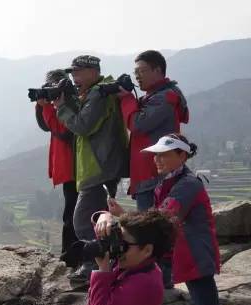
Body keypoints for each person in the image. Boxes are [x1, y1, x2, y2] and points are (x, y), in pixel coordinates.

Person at [96, 133, 251, 305]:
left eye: (164, 155)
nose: (157, 159)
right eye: (155, 154)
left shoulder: (187, 185)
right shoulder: (168, 183)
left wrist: (121, 219)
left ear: (182, 156)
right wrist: (124, 215)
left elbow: (162, 218)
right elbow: (158, 217)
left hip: (193, 261)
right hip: (175, 258)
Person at [55, 55, 129, 281]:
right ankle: (108, 263)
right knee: (97, 219)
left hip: (99, 167)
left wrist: (61, 108)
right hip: (100, 165)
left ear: (92, 71)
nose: (74, 77)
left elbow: (82, 125)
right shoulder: (96, 92)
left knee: (84, 219)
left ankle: (93, 267)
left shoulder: (98, 93)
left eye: (77, 72)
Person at [117, 50, 189, 210]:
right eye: (135, 72)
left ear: (158, 71)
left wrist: (127, 99)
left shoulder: (164, 98)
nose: (137, 76)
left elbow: (138, 125)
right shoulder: (152, 97)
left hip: (154, 178)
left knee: (150, 231)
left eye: (142, 71)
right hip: (147, 176)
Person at [34, 69, 78, 266]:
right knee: (71, 212)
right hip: (69, 166)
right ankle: (70, 255)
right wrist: (41, 105)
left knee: (74, 214)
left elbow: (63, 131)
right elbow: (45, 126)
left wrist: (50, 107)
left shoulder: (71, 103)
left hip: (76, 168)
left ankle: (72, 257)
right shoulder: (59, 104)